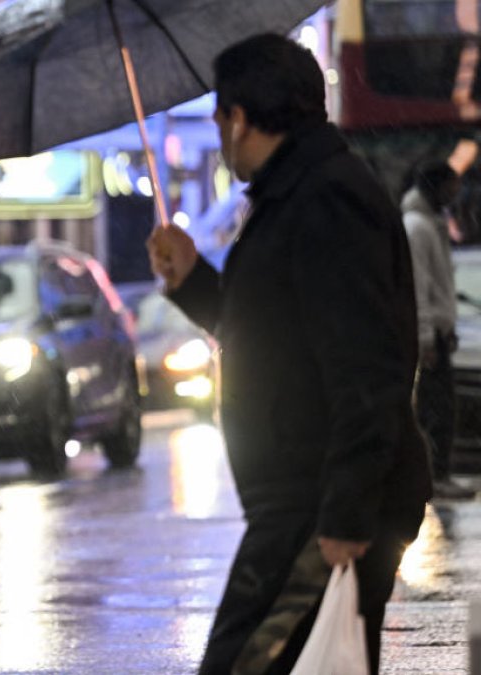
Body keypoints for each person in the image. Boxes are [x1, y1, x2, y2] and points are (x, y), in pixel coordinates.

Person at [148, 34, 431, 674]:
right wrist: (190, 278)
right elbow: (273, 333)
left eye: (221, 118)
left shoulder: (325, 198)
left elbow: (368, 365)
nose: (221, 137)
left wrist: (346, 515)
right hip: (305, 500)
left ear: (239, 118)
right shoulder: (295, 195)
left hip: (319, 506)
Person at [402, 160, 472, 500]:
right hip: (429, 339)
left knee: (443, 407)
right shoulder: (417, 226)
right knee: (434, 410)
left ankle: (437, 474)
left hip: (439, 334)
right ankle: (434, 477)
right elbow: (418, 285)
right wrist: (426, 336)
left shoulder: (431, 222)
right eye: (451, 186)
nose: (456, 193)